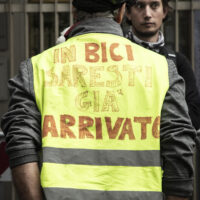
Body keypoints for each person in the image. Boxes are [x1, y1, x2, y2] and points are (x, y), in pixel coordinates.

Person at [0, 0, 196, 200]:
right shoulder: (161, 68)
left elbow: (20, 142)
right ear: (121, 12)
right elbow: (178, 141)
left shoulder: (37, 67)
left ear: (74, 12)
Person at [125, 0, 200, 131]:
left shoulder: (178, 62)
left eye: (154, 5)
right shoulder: (118, 56)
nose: (147, 14)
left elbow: (194, 115)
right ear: (128, 13)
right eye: (140, 6)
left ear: (164, 11)